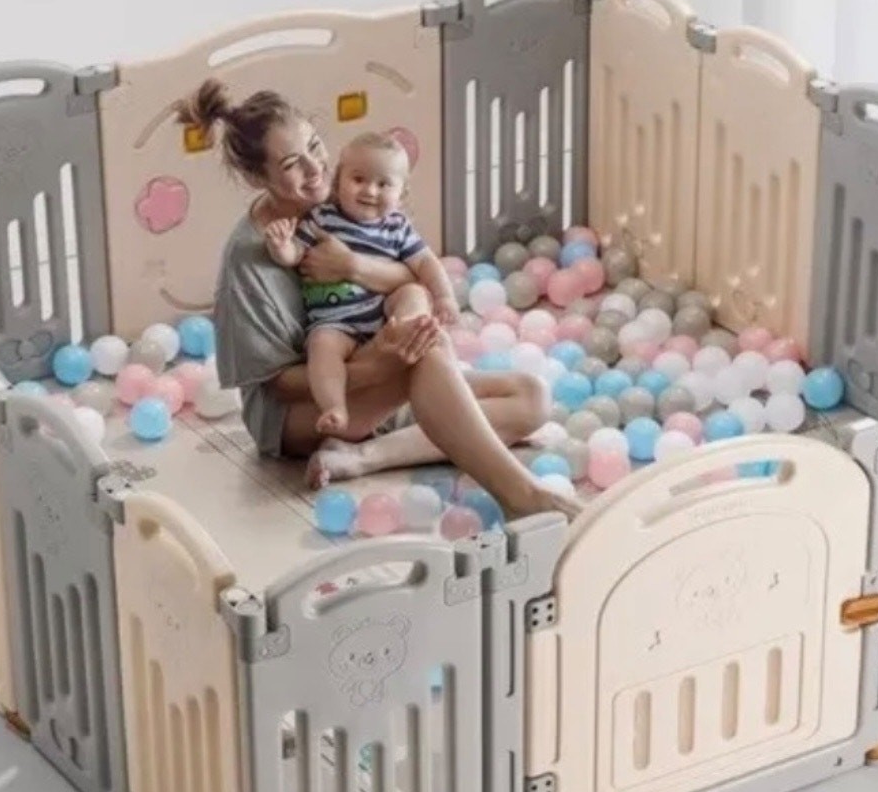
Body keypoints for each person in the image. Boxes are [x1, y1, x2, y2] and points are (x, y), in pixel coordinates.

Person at [174, 79, 580, 520]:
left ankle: (362, 457)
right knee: (424, 348)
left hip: (375, 369)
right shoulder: (250, 257)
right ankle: (520, 494)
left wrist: (352, 267)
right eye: (292, 163)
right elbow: (278, 385)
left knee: (531, 397)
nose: (314, 169)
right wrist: (380, 364)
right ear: (259, 178)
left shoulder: (348, 193)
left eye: (315, 146)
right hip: (302, 410)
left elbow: (413, 272)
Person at [261, 128, 459, 437]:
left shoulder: (397, 227)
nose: (370, 191)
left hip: (383, 318)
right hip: (336, 322)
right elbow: (297, 254)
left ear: (402, 193)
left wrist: (444, 297)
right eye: (358, 179)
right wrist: (281, 247)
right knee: (321, 347)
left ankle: (407, 334)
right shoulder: (323, 218)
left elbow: (425, 263)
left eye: (384, 184)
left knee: (411, 292)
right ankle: (334, 406)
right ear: (338, 180)